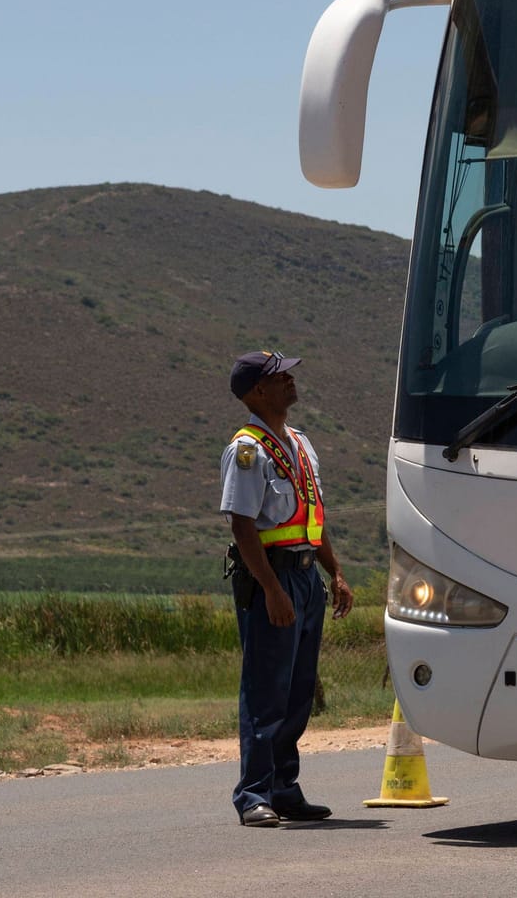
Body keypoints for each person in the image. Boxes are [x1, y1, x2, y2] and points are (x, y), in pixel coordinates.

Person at [219, 350, 354, 827]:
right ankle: (253, 794)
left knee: (298, 690)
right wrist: (272, 590)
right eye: (281, 377)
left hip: (305, 573)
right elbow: (242, 526)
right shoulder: (247, 449)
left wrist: (333, 571)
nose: (291, 380)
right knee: (265, 690)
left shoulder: (299, 442)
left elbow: (311, 518)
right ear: (258, 392)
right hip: (270, 577)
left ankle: (284, 788)